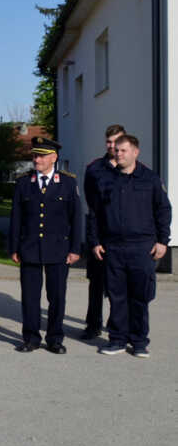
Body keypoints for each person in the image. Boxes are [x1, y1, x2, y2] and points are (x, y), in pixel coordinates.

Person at [87, 134, 171, 358]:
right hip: (113, 247)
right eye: (116, 150)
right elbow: (95, 213)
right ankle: (117, 340)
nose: (118, 154)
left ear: (135, 152)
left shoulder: (150, 179)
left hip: (142, 247)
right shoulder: (106, 180)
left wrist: (163, 241)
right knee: (117, 296)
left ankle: (140, 341)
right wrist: (94, 241)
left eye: (123, 150)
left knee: (140, 296)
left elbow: (163, 210)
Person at [8, 137, 82, 354]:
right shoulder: (24, 183)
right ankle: (31, 338)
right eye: (34, 155)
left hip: (58, 248)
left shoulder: (68, 183)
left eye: (41, 155)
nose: (36, 159)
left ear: (53, 157)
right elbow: (16, 218)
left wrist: (75, 249)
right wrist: (13, 247)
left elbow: (76, 219)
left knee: (57, 296)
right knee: (30, 297)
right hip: (29, 248)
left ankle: (55, 338)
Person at [80, 124, 125, 340]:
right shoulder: (94, 169)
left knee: (119, 284)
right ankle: (93, 324)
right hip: (100, 234)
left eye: (116, 142)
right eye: (108, 141)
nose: (112, 146)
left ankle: (116, 324)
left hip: (123, 236)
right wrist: (94, 239)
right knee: (96, 283)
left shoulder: (131, 168)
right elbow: (91, 206)